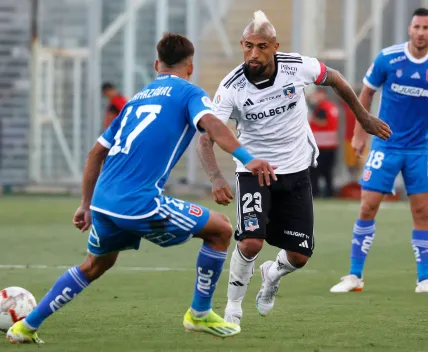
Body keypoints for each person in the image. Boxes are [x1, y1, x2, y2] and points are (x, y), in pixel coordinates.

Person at [6, 33, 277, 344]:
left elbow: (96, 153)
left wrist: (85, 204)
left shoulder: (136, 99)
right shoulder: (189, 92)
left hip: (103, 202)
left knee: (95, 264)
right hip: (138, 202)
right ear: (190, 66)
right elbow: (213, 125)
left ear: (156, 65)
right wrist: (247, 157)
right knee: (221, 229)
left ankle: (26, 326)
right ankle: (199, 314)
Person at [197, 10, 391, 326]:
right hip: (253, 171)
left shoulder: (296, 66)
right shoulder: (231, 86)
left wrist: (363, 117)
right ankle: (233, 308)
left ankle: (271, 275)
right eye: (248, 46)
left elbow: (336, 78)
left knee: (299, 256)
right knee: (250, 241)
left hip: (297, 170)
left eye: (261, 46)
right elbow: (207, 136)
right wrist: (217, 176)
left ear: (275, 46)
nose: (253, 54)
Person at [330, 8, 428, 294]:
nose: (421, 32)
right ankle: (354, 276)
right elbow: (366, 93)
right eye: (416, 27)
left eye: (426, 28)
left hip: (419, 148)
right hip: (385, 143)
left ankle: (425, 280)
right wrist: (359, 134)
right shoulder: (388, 58)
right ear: (410, 29)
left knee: (423, 211)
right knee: (368, 206)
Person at [308, 87, 340, 198]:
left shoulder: (323, 107)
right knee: (327, 171)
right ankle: (328, 192)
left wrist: (310, 119)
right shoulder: (331, 106)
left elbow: (323, 122)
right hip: (331, 144)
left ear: (323, 94)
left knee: (315, 170)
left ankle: (316, 192)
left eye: (317, 94)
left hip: (322, 145)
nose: (315, 97)